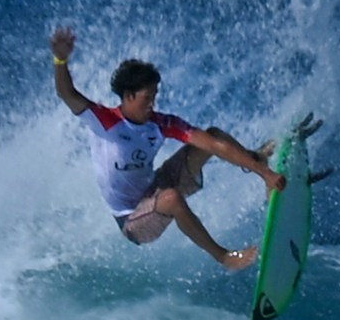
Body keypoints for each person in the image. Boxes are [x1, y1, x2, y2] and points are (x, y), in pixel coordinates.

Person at [50, 26, 286, 271]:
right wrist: (60, 60)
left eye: (155, 96)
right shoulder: (105, 121)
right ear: (128, 96)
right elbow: (66, 93)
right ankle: (225, 257)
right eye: (147, 98)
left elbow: (212, 144)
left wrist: (265, 174)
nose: (152, 104)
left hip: (155, 187)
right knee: (171, 198)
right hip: (132, 220)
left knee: (213, 135)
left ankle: (259, 161)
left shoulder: (160, 124)